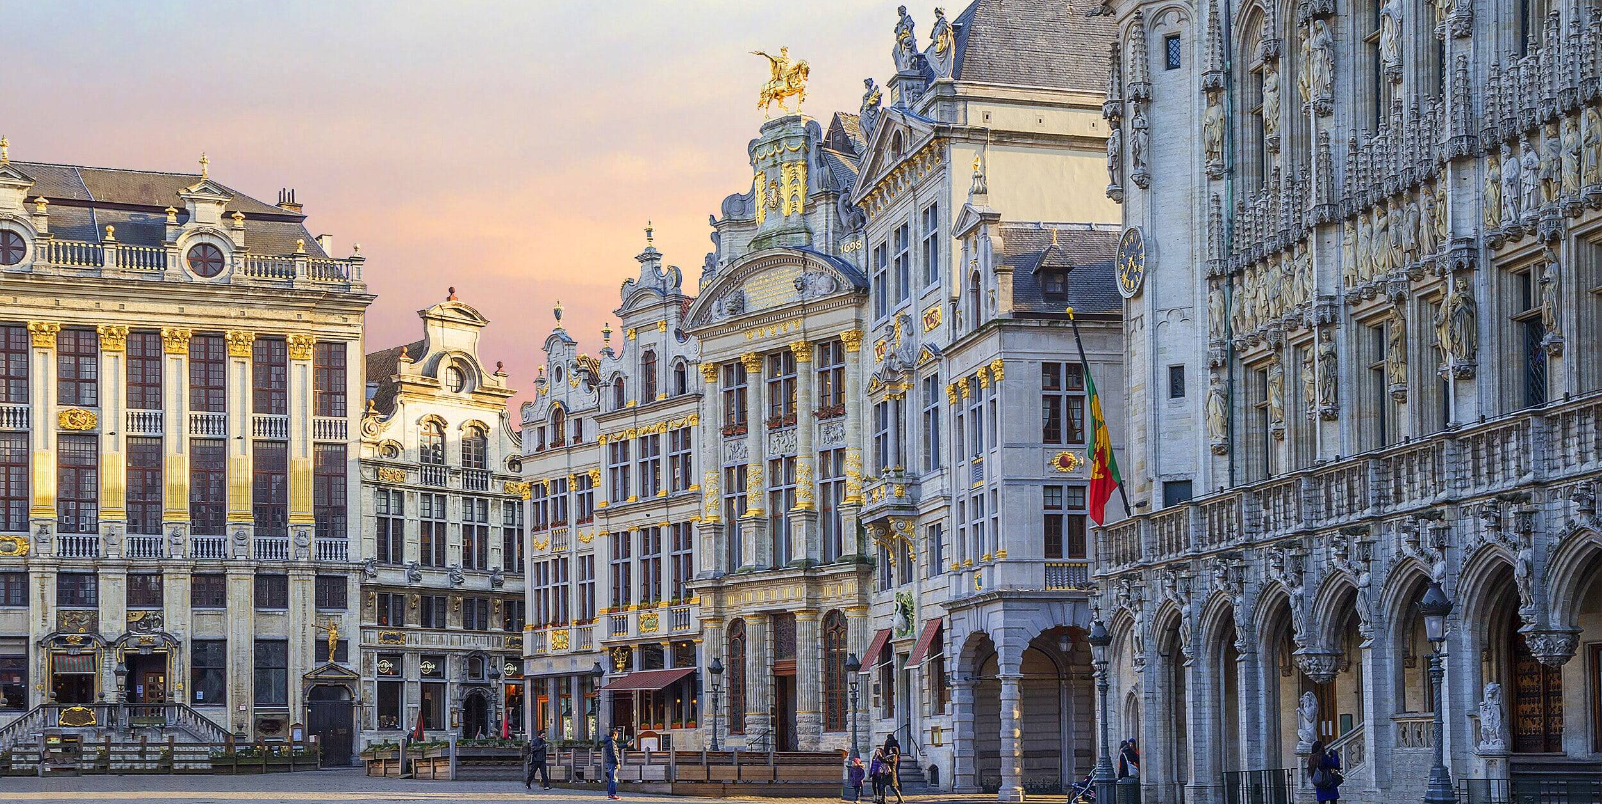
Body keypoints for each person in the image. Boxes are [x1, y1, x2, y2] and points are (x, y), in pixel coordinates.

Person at [881, 734, 903, 804]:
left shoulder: (893, 754)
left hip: (891, 768)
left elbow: (886, 758)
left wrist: (881, 757)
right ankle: (883, 799)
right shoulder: (895, 743)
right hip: (889, 767)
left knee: (892, 785)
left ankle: (900, 798)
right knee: (883, 785)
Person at [603, 726, 624, 800]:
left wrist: (626, 745)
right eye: (617, 735)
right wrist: (617, 762)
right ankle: (613, 794)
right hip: (613, 762)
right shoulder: (611, 742)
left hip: (609, 761)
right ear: (614, 735)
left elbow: (617, 747)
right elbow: (614, 753)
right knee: (614, 779)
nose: (617, 737)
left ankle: (610, 794)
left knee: (611, 778)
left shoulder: (608, 741)